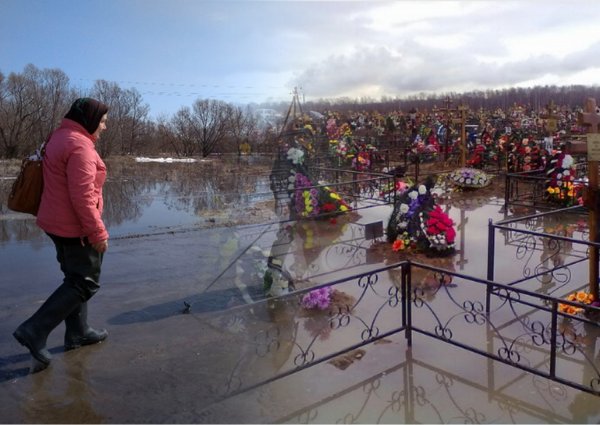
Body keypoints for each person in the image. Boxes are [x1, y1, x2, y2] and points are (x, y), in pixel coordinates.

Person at [13, 97, 110, 372]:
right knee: (85, 283)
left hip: (55, 223)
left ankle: (78, 332)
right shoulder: (80, 147)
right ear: (89, 120)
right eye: (102, 122)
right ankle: (34, 330)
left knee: (74, 278)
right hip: (74, 227)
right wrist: (97, 232)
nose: (103, 127)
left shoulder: (59, 136)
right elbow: (82, 198)